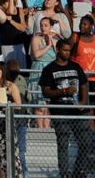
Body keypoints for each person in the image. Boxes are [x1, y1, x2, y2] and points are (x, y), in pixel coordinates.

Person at [39, 39, 92, 178]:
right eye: (65, 50)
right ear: (57, 50)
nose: (67, 53)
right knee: (63, 143)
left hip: (77, 112)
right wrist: (63, 91)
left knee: (86, 142)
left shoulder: (76, 66)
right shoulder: (49, 69)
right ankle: (64, 174)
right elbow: (45, 91)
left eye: (69, 51)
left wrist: (82, 102)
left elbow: (84, 84)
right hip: (60, 111)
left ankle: (79, 172)